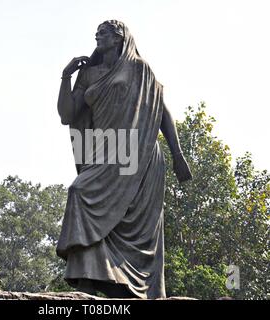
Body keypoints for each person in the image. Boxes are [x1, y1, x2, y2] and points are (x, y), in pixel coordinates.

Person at [56, 20, 192, 299]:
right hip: (104, 152)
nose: (98, 35)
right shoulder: (89, 75)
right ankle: (88, 279)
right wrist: (65, 77)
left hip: (139, 154)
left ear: (120, 38)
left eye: (105, 31)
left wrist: (178, 155)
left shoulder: (140, 69)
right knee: (80, 191)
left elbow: (162, 111)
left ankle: (130, 286)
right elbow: (67, 114)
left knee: (103, 206)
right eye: (97, 31)